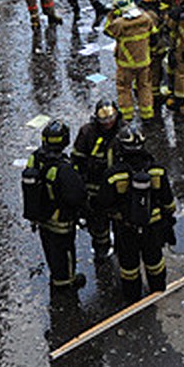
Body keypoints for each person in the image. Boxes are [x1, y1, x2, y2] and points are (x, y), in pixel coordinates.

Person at [101, 128, 177, 303]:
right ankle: (157, 290)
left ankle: (132, 298)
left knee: (129, 266)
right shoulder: (157, 170)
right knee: (155, 262)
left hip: (126, 228)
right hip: (153, 227)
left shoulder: (113, 175)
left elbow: (103, 202)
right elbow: (169, 202)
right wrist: (167, 221)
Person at [22, 120, 88, 295]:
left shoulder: (34, 158)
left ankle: (57, 277)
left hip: (41, 217)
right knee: (64, 253)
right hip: (60, 221)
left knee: (50, 250)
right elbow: (76, 196)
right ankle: (66, 285)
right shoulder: (63, 168)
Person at [71, 100, 121, 262]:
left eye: (111, 119)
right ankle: (101, 249)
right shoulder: (87, 132)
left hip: (118, 188)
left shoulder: (124, 131)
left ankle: (122, 247)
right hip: (95, 188)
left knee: (120, 221)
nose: (108, 123)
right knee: (98, 224)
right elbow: (77, 159)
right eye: (104, 120)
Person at [103, 0, 157, 120]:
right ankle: (147, 114)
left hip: (126, 64)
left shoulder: (119, 24)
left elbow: (108, 31)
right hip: (144, 61)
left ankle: (126, 115)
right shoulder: (146, 18)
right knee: (144, 87)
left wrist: (111, 16)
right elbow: (154, 35)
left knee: (124, 88)